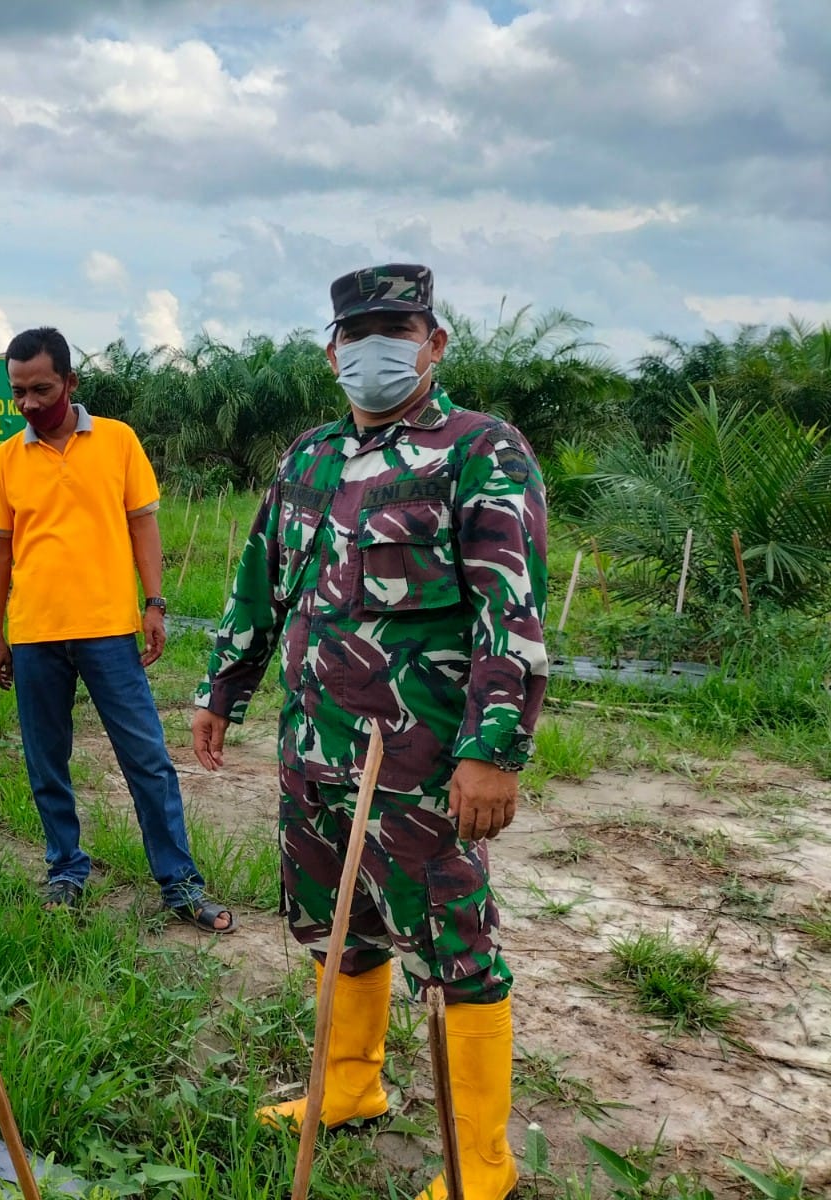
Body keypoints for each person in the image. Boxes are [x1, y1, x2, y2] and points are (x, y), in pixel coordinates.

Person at [192, 265, 547, 1200]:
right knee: (335, 927)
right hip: (316, 753)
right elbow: (258, 578)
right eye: (358, 332)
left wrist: (492, 752)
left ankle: (484, 1167)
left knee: (455, 951)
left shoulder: (480, 451)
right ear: (331, 349)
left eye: (398, 329)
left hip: (420, 764)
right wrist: (222, 686)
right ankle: (349, 1086)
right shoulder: (308, 457)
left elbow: (507, 616)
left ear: (434, 343)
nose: (375, 349)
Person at [0, 326, 236, 933]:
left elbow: (143, 526)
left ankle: (179, 882)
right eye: (17, 392)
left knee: (146, 758)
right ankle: (66, 869)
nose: (29, 404)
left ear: (70, 382)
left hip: (108, 633)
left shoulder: (118, 441)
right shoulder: (5, 459)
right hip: (37, 635)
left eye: (41, 389)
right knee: (46, 762)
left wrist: (155, 603)